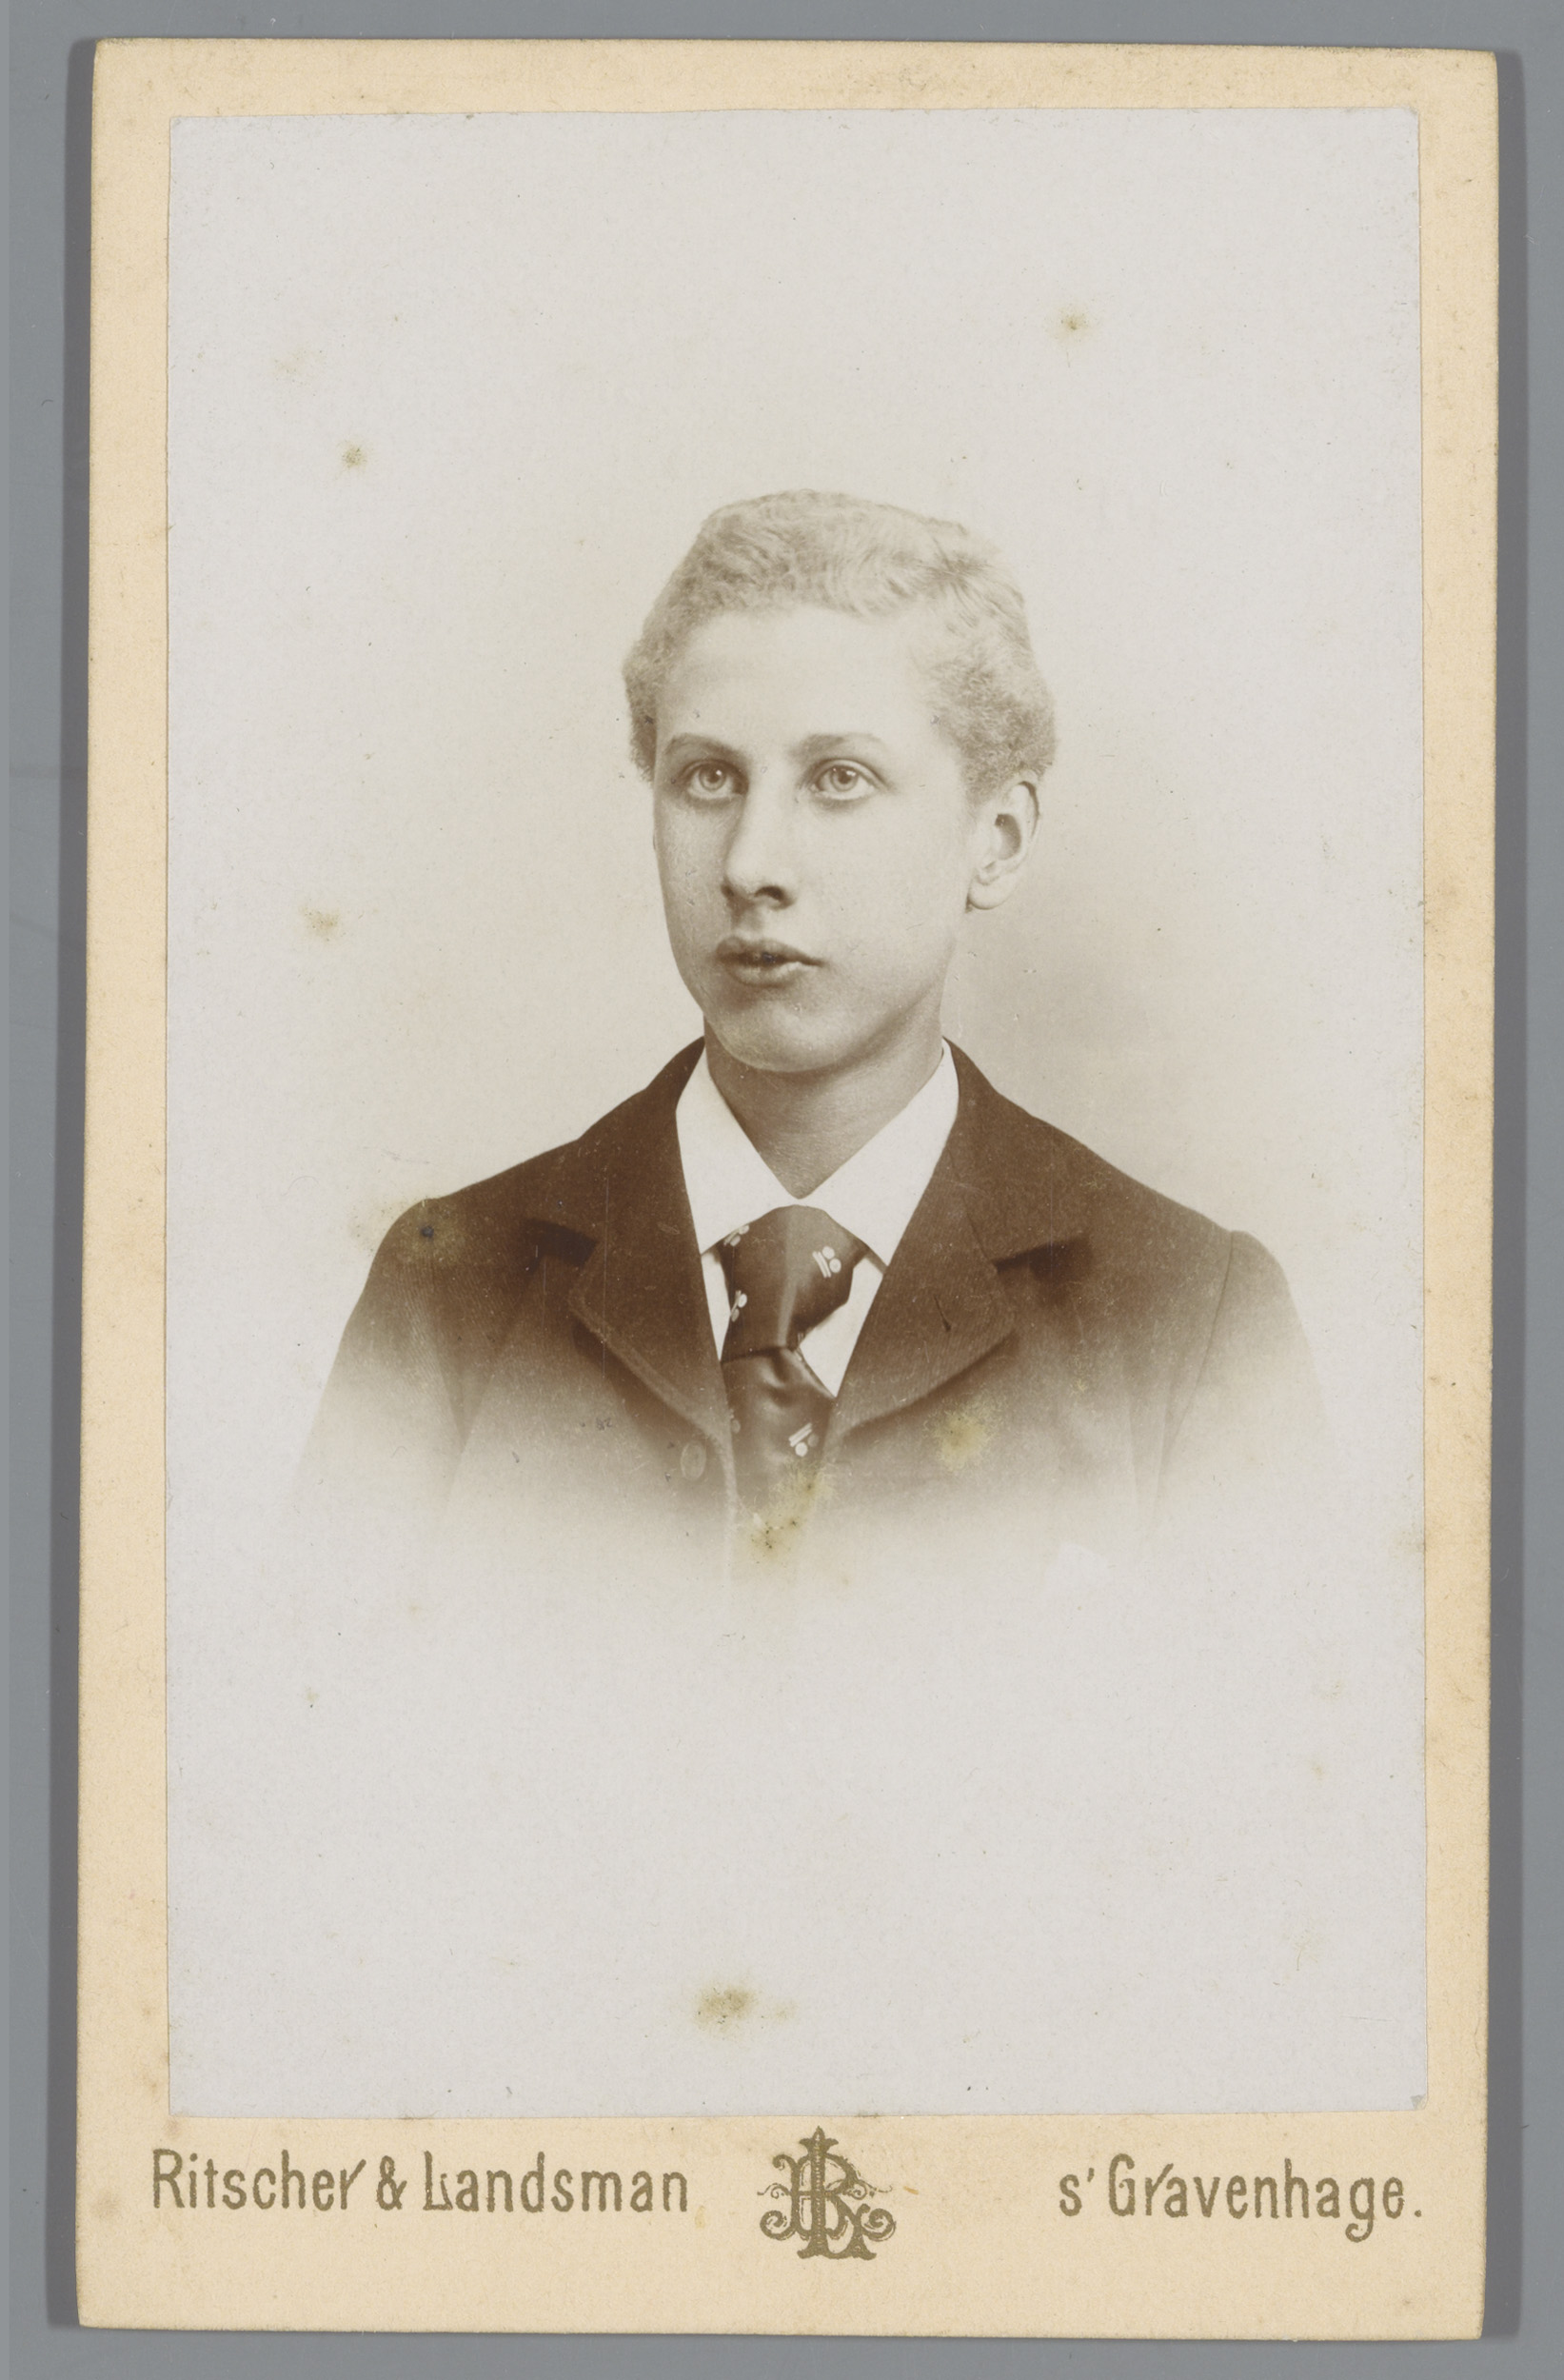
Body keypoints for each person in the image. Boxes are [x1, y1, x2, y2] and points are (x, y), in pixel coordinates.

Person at [304, 489, 1322, 1577]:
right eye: (706, 778)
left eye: (840, 779)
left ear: (996, 839)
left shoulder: (1189, 1322)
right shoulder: (449, 1296)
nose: (750, 864)